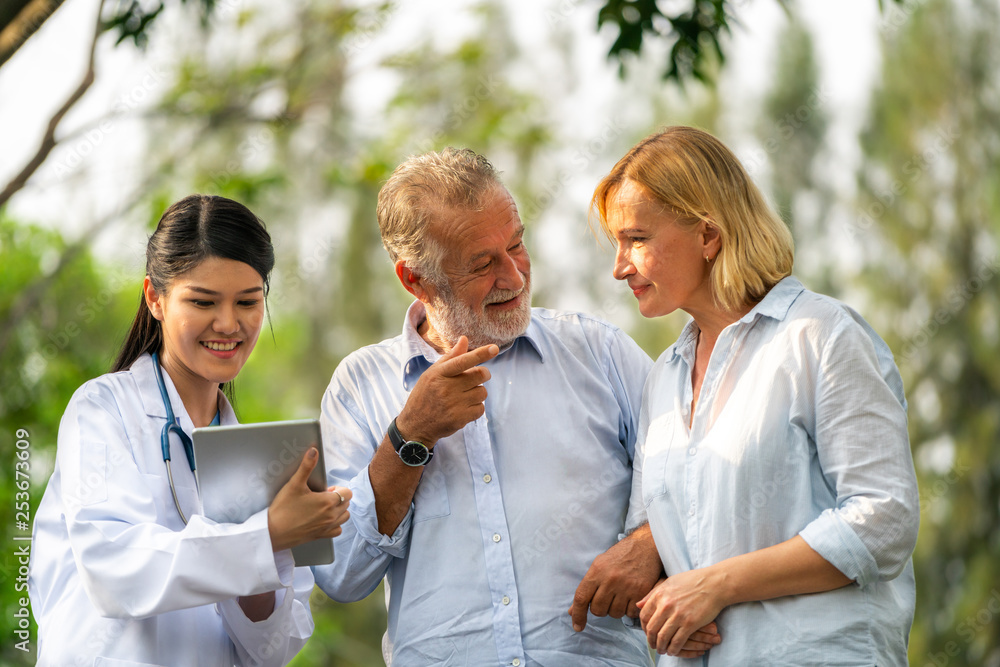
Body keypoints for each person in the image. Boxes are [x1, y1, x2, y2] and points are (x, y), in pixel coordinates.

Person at [311, 148, 721, 665]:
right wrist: (409, 437)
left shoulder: (600, 352)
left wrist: (647, 541)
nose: (515, 276)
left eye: (517, 245)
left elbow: (701, 470)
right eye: (483, 264)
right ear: (414, 279)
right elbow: (342, 575)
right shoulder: (359, 386)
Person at [591, 126, 921, 665]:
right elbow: (667, 554)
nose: (620, 266)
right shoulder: (663, 379)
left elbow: (883, 519)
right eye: (618, 244)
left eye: (637, 239)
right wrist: (660, 609)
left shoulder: (821, 335)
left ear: (708, 235)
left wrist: (716, 587)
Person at [29, 194, 353, 666]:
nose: (228, 323)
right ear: (154, 298)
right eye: (202, 301)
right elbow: (114, 571)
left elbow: (276, 647)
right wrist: (264, 536)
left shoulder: (265, 456)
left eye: (248, 301)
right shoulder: (103, 409)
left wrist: (272, 556)